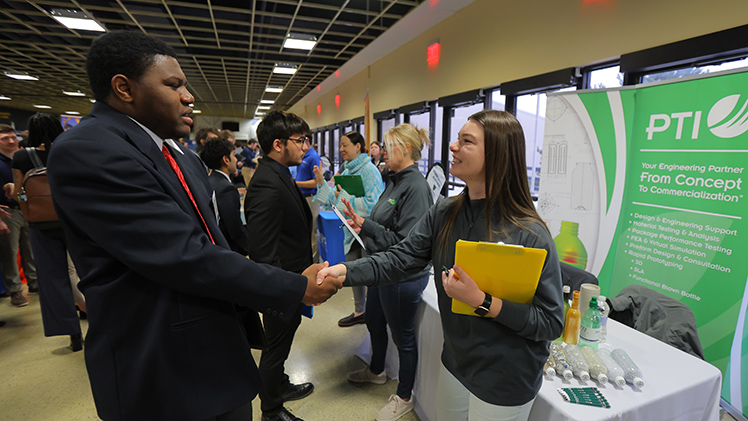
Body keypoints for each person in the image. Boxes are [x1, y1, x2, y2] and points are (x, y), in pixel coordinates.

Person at [46, 31, 342, 421]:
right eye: (174, 85)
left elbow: (213, 243)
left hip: (217, 348)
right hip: (163, 365)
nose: (188, 97)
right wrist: (295, 287)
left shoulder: (178, 155)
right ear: (124, 88)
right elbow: (186, 256)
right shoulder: (90, 150)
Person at [318, 110, 564, 421]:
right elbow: (401, 257)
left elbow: (550, 322)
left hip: (506, 377)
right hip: (456, 364)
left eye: (466, 141)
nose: (452, 146)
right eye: (457, 138)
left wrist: (483, 302)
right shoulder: (445, 212)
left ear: (498, 155)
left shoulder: (529, 233)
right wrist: (345, 272)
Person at [341, 124, 433, 421]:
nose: (379, 150)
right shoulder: (394, 180)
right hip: (382, 269)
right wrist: (362, 222)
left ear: (404, 149)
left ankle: (404, 396)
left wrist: (368, 227)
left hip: (401, 276)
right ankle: (377, 370)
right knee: (374, 321)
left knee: (403, 338)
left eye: (386, 145)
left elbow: (406, 246)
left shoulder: (416, 188)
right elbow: (384, 222)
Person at [244, 111, 316, 421]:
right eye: (300, 141)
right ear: (277, 144)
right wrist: (279, 294)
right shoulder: (266, 184)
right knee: (275, 348)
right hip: (280, 286)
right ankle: (271, 410)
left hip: (291, 282)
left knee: (282, 344)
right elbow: (263, 252)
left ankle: (280, 385)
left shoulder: (280, 172)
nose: (305, 147)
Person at [9, 113, 84, 350]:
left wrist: (17, 195)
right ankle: (103, 321)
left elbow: (19, 191)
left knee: (52, 278)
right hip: (74, 221)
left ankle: (71, 333)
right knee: (89, 272)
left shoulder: (22, 156)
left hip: (40, 224)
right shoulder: (70, 150)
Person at [313, 131, 383, 327]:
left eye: (345, 145)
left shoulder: (369, 171)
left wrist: (344, 197)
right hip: (350, 231)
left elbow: (373, 205)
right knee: (353, 273)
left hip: (367, 232)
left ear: (358, 146)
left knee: (370, 275)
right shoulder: (346, 171)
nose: (341, 149)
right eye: (340, 145)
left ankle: (374, 316)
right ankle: (360, 311)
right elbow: (331, 203)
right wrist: (320, 181)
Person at [0, 124, 38, 307]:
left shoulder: (22, 158)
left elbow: (23, 185)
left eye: (12, 137)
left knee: (30, 249)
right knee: (10, 252)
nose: (11, 141)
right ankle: (15, 290)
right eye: (5, 138)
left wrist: (25, 201)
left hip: (25, 207)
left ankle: (34, 283)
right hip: (6, 211)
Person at [200, 137, 249, 256]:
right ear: (226, 160)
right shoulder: (227, 188)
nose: (236, 159)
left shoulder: (207, 180)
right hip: (227, 250)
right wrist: (251, 247)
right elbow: (235, 230)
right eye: (233, 155)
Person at [294, 141, 322, 263]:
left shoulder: (314, 157)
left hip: (311, 197)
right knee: (304, 232)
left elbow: (316, 182)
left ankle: (313, 262)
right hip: (302, 197)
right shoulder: (303, 156)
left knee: (312, 233)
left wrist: (296, 183)